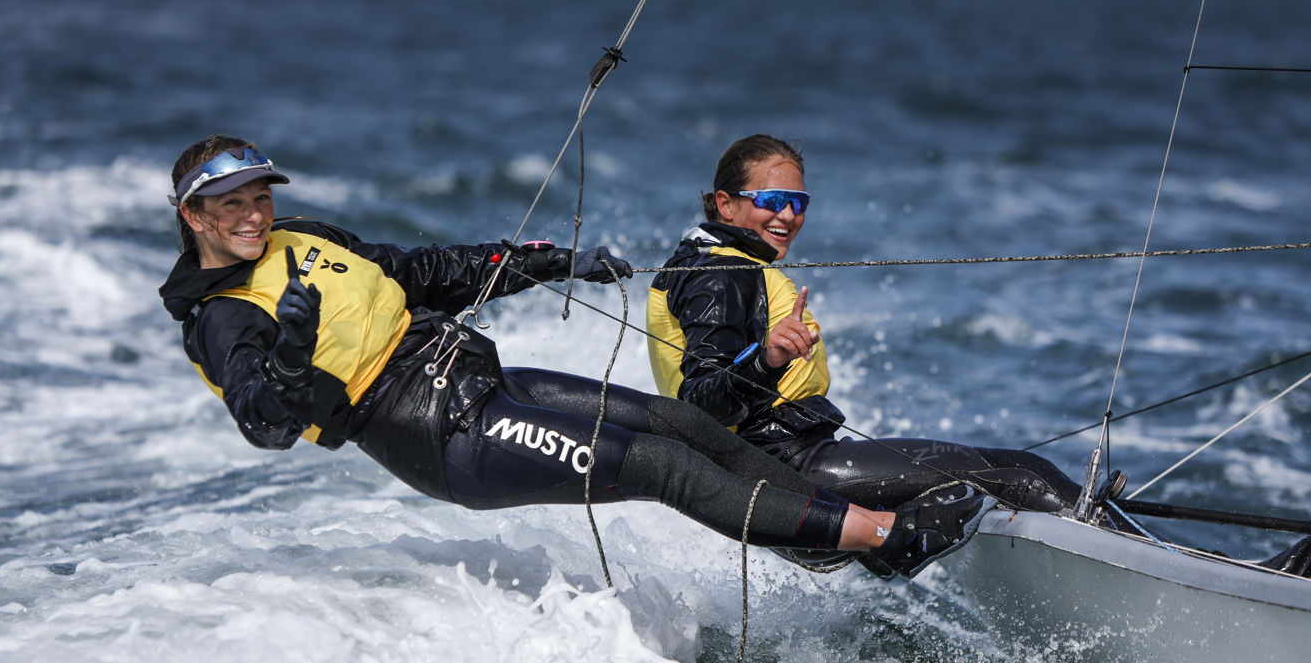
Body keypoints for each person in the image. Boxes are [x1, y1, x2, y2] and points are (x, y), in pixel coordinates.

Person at [157, 134, 994, 580]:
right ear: (193, 216)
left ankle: (816, 533)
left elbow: (426, 274)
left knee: (676, 422)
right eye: (231, 205)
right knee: (661, 465)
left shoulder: (305, 237)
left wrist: (554, 261)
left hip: (479, 380)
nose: (254, 217)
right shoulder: (223, 317)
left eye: (261, 198)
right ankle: (886, 537)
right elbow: (265, 424)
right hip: (434, 432)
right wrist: (296, 355)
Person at [647, 133, 1084, 519]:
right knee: (1025, 475)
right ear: (726, 203)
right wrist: (768, 360)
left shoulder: (707, 264)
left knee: (983, 483)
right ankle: (1136, 559)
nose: (788, 216)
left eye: (798, 203)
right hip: (786, 466)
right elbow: (699, 403)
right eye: (772, 201)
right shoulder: (721, 275)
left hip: (770, 464)